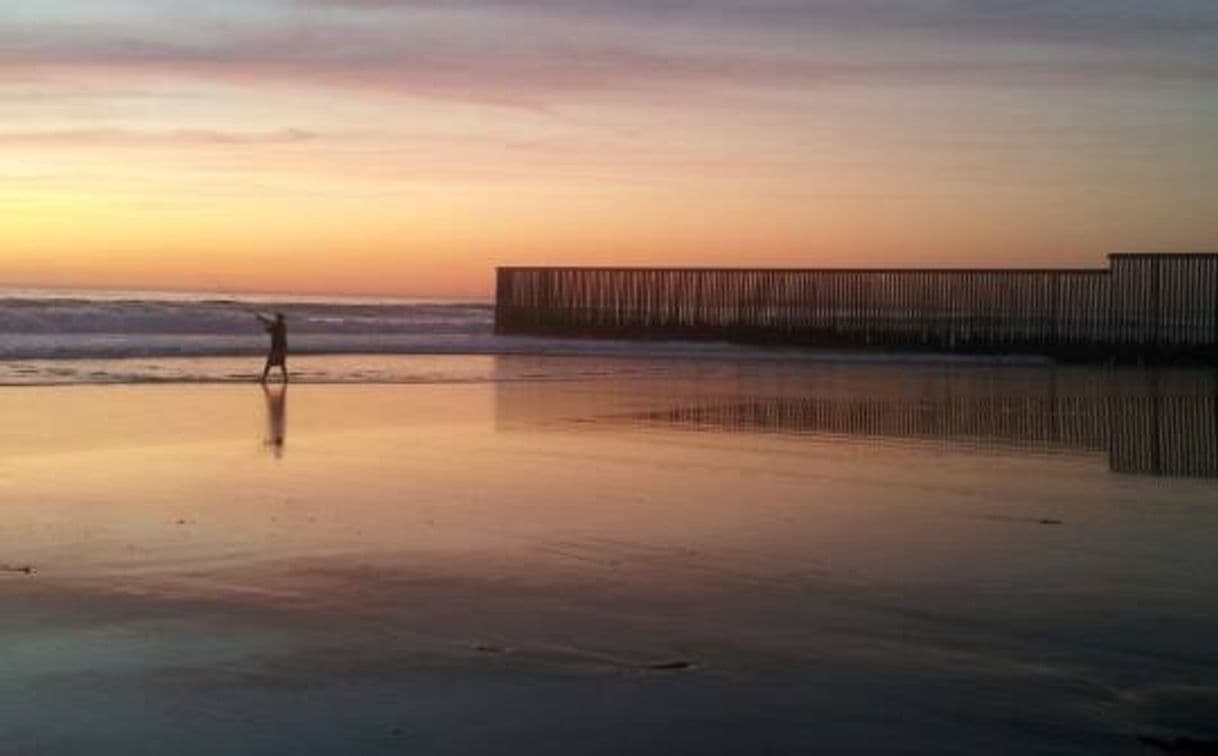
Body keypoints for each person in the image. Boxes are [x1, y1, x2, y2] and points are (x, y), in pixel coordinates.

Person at [257, 312, 289, 383]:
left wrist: (262, 321)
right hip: (282, 348)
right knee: (281, 364)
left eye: (277, 318)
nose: (276, 319)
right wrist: (262, 319)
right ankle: (285, 378)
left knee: (269, 363)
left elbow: (268, 330)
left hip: (276, 348)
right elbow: (270, 325)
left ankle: (264, 378)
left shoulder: (277, 326)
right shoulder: (282, 326)